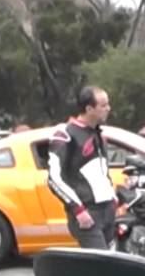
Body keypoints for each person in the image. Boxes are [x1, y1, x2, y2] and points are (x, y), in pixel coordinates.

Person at [45, 86, 117, 250]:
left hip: (106, 210)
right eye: (103, 105)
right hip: (87, 211)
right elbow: (54, 178)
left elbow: (102, 172)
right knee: (102, 267)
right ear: (89, 108)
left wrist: (113, 199)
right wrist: (78, 210)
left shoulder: (98, 133)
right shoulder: (66, 133)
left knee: (112, 265)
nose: (108, 109)